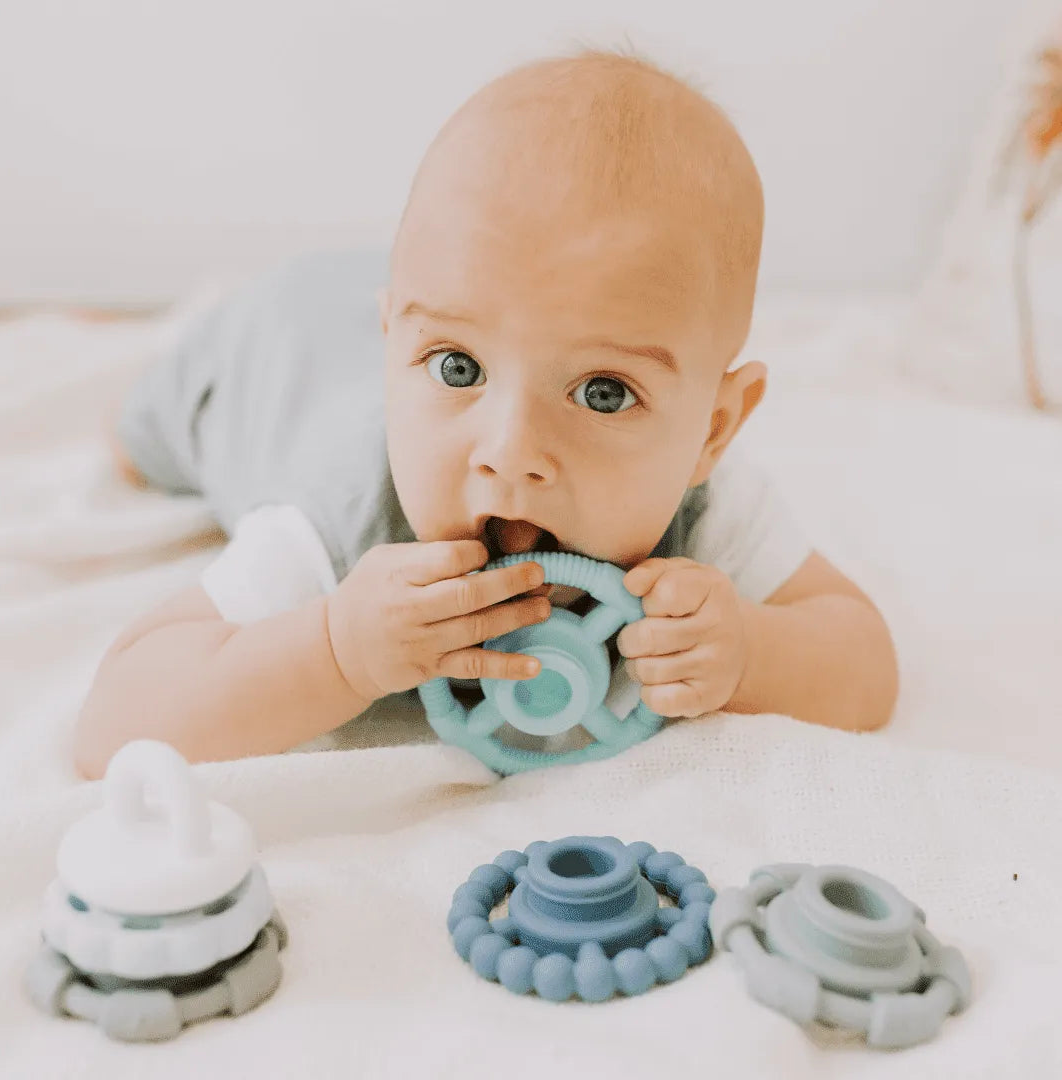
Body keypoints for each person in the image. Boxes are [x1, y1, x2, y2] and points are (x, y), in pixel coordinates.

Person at [76, 47, 899, 779]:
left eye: (603, 391)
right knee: (149, 432)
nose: (511, 452)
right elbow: (114, 724)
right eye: (459, 369)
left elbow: (863, 655)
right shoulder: (338, 521)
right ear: (396, 347)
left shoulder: (705, 508)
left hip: (392, 314)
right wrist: (335, 648)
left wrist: (753, 652)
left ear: (712, 432)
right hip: (269, 357)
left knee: (489, 301)